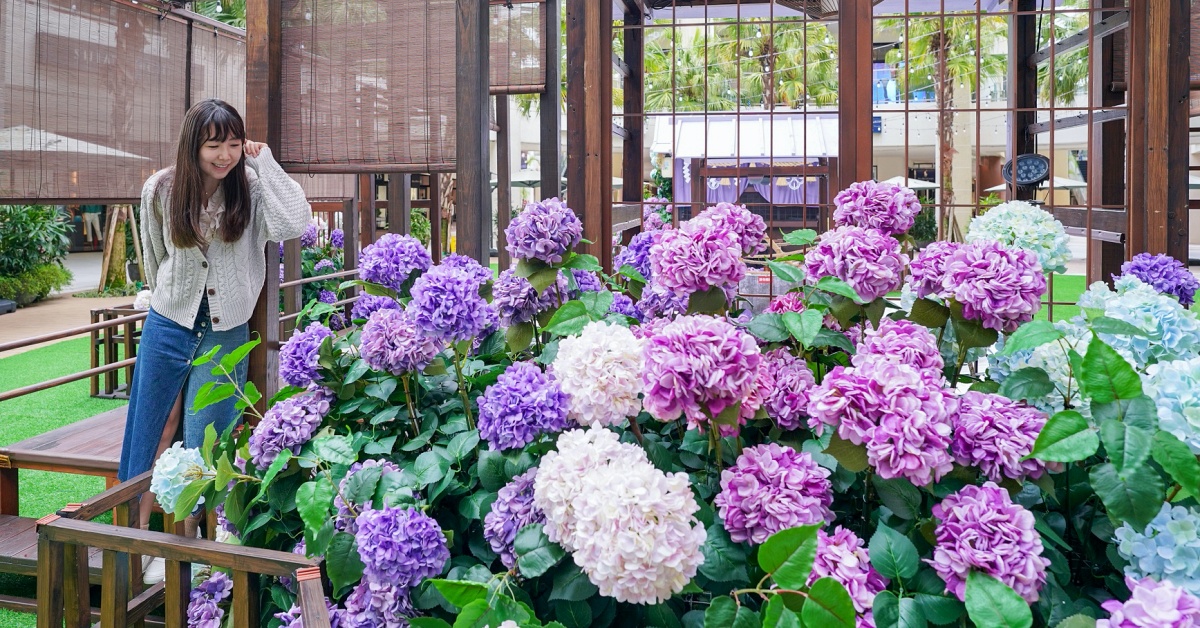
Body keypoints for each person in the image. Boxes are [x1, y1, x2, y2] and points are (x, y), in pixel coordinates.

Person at [117, 99, 311, 581]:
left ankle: (185, 547)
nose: (224, 155)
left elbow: (296, 223)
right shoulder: (160, 189)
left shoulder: (250, 188)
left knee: (205, 437)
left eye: (232, 143)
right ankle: (134, 542)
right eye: (213, 145)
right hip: (169, 322)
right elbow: (157, 254)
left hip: (224, 330)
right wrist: (169, 297)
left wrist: (263, 161)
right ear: (193, 145)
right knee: (155, 428)